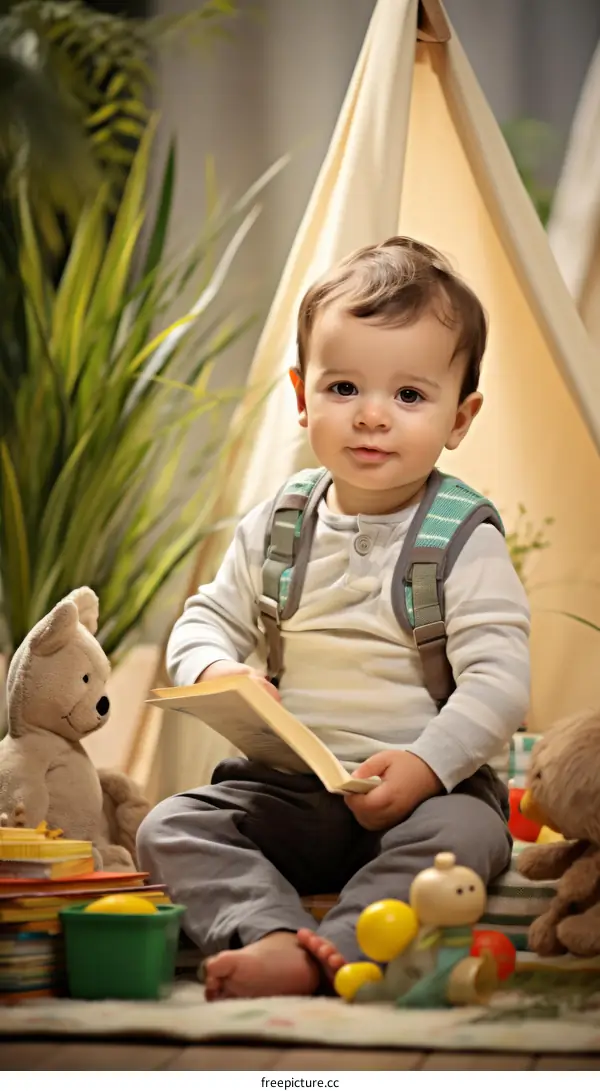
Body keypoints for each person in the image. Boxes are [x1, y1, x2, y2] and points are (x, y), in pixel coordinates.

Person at [137, 236, 530, 1001]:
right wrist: (218, 668)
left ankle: (340, 948)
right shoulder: (278, 523)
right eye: (344, 387)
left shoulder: (462, 537)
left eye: (409, 396)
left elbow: (501, 682)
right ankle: (272, 934)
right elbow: (202, 621)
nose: (372, 416)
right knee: (170, 825)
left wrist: (426, 765)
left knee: (471, 836)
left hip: (425, 798)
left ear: (460, 417)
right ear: (301, 395)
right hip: (292, 792)